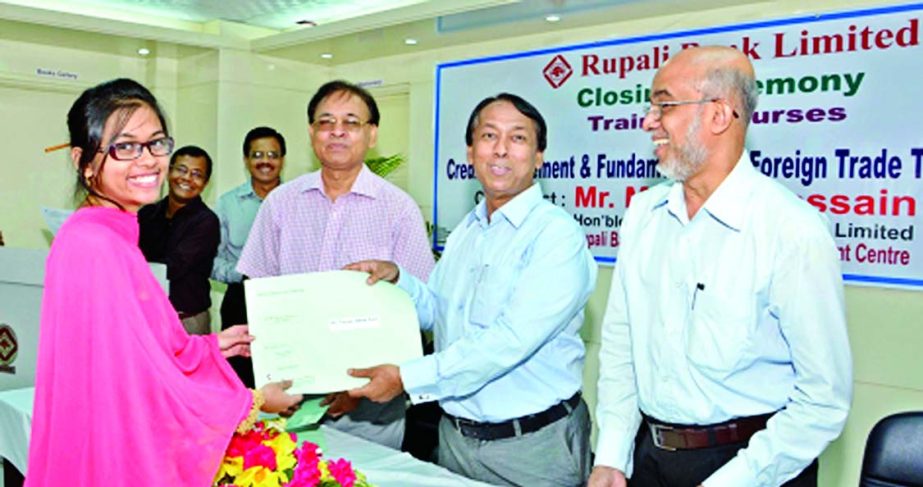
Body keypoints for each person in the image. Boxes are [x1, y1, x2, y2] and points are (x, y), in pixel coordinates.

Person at [588, 46, 852, 487]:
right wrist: (613, 454)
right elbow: (622, 345)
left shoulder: (791, 230)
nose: (648, 121)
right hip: (648, 458)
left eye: (664, 105)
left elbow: (823, 402)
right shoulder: (643, 214)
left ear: (717, 115)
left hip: (755, 467)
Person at [26, 78, 302, 487]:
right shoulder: (99, 246)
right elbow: (144, 380)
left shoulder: (100, 231)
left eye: (156, 143)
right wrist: (254, 401)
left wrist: (210, 346)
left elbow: (139, 348)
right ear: (84, 161)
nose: (148, 160)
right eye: (125, 146)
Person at [345, 93, 597, 487]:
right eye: (489, 135)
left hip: (531, 448)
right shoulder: (468, 229)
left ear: (539, 156)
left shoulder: (556, 235)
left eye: (517, 138)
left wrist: (408, 378)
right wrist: (399, 280)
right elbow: (438, 312)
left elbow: (509, 340)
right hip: (455, 441)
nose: (500, 149)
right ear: (470, 150)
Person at [237, 80, 435, 449]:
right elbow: (259, 296)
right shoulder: (281, 203)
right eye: (326, 122)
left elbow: (422, 312)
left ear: (372, 134)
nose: (337, 132)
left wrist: (356, 391)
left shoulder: (399, 209)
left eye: (351, 122)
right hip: (290, 402)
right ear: (312, 132)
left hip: (371, 412)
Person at [212, 126, 287, 386]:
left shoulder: (297, 201)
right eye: (257, 155)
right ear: (246, 160)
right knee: (241, 380)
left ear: (282, 160)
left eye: (272, 154)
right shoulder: (227, 204)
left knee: (285, 375)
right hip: (240, 300)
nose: (265, 161)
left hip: (287, 299)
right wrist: (241, 273)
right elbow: (212, 260)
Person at [138, 145, 219, 335]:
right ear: (168, 171)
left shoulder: (206, 221)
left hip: (186, 320)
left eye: (197, 174)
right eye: (181, 170)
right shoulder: (147, 214)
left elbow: (174, 266)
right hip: (147, 315)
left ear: (205, 183)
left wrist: (131, 266)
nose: (187, 178)